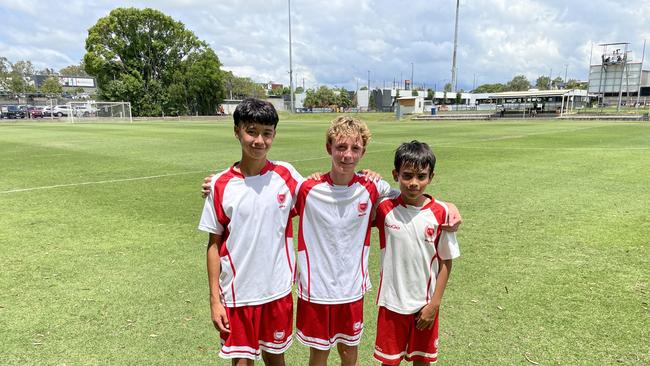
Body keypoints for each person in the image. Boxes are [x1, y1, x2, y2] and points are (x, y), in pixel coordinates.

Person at [200, 116, 462, 366]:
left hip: (352, 291)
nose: (347, 155)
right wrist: (218, 181)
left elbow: (412, 200)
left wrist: (447, 207)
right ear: (329, 148)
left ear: (363, 152)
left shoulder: (372, 188)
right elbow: (262, 191)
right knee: (319, 356)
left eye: (355, 148)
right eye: (341, 147)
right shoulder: (306, 188)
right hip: (315, 291)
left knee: (349, 355)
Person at [198, 98, 303, 366]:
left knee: (275, 358)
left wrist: (363, 177)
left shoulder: (286, 175)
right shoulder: (220, 185)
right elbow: (213, 244)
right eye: (251, 131)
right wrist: (214, 299)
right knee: (241, 362)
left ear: (274, 135)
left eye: (267, 133)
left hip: (277, 290)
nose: (259, 140)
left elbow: (322, 195)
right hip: (237, 294)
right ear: (237, 131)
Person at [373, 141, 460, 366]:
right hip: (391, 304)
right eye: (407, 175)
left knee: (422, 362)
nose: (414, 183)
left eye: (421, 176)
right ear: (395, 174)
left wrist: (434, 304)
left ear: (431, 177)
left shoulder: (441, 213)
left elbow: (446, 262)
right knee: (388, 362)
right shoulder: (383, 209)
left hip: (425, 305)